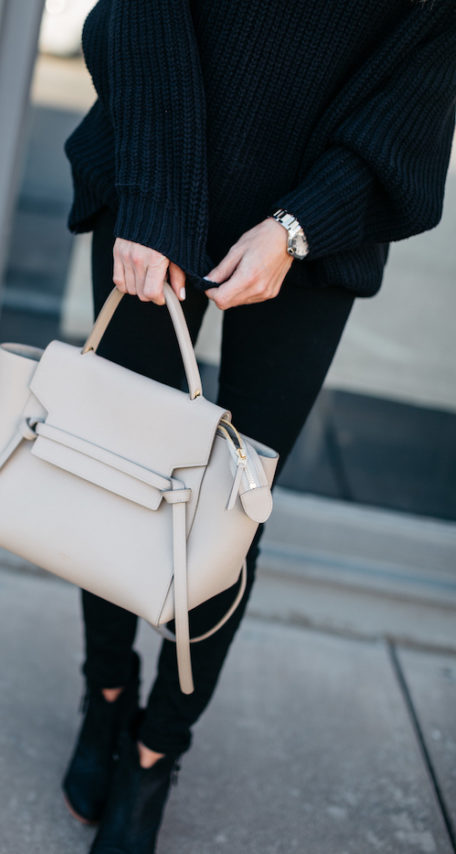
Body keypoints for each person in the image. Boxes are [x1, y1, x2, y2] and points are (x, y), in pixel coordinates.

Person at [60, 1, 456, 851]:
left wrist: (297, 228)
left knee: (230, 515)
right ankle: (106, 693)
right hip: (154, 181)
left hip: (311, 230)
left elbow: (421, 87)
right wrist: (156, 199)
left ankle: (157, 748)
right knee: (115, 474)